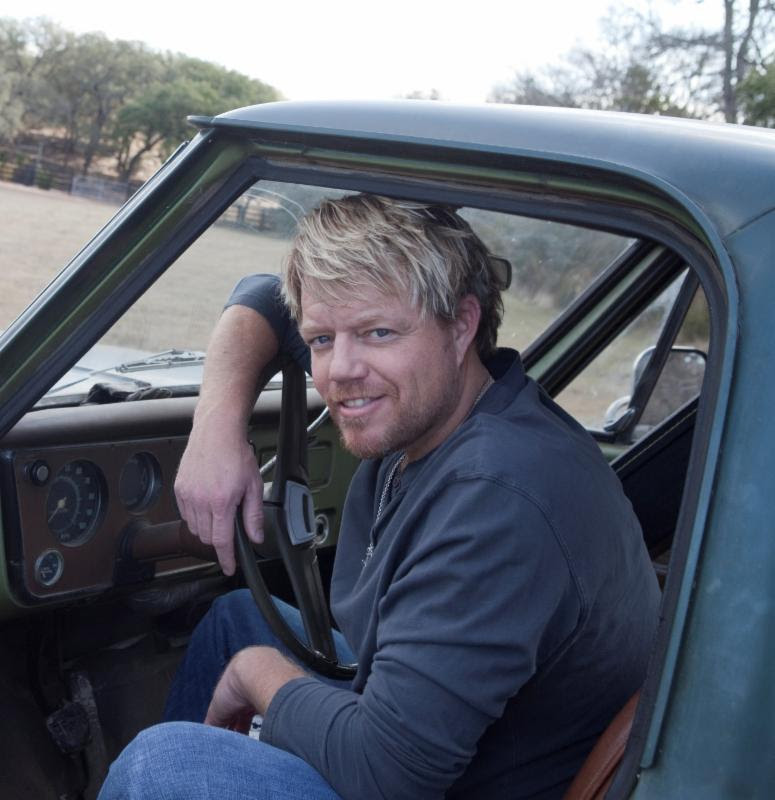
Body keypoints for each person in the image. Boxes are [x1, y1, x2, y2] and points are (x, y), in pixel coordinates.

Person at [98, 194, 661, 800]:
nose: (340, 370)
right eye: (320, 340)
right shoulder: (452, 404)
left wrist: (256, 676)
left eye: (378, 332)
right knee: (237, 621)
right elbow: (263, 294)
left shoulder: (497, 499)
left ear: (462, 324)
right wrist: (216, 425)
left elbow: (386, 773)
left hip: (451, 780)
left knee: (162, 765)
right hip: (466, 735)